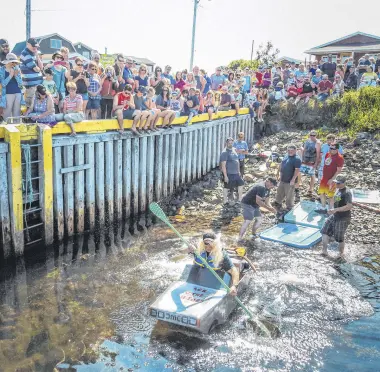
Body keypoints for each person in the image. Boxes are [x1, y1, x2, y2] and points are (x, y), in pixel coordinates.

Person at [320, 176, 352, 257]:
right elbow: (333, 200)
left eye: (338, 183)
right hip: (334, 215)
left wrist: (336, 209)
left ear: (344, 183)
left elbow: (349, 206)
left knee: (339, 237)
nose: (336, 184)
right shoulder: (337, 189)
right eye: (336, 182)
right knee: (324, 231)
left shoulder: (347, 193)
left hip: (343, 218)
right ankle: (324, 251)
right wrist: (331, 209)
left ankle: (341, 254)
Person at [317, 143, 344, 211]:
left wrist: (332, 179)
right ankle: (323, 207)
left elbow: (338, 171)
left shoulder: (339, 158)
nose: (330, 150)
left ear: (337, 149)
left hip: (332, 180)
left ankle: (331, 209)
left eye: (332, 149)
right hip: (324, 178)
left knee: (331, 196)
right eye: (330, 148)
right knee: (321, 192)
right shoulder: (327, 154)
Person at [274, 144, 301, 211]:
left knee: (289, 194)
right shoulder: (286, 156)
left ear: (295, 150)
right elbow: (281, 164)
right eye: (288, 150)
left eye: (292, 150)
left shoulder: (297, 159)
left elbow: (297, 170)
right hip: (283, 178)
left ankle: (289, 207)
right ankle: (278, 203)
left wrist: (293, 180)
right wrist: (278, 173)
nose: (290, 152)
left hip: (290, 180)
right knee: (279, 191)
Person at [20, 38, 44, 110]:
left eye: (36, 46)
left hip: (37, 86)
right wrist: (39, 69)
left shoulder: (33, 54)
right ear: (28, 44)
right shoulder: (25, 54)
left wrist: (37, 55)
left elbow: (41, 67)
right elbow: (36, 69)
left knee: (37, 107)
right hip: (31, 87)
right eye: (33, 46)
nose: (35, 48)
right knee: (30, 108)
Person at [220, 137, 244, 204]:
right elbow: (223, 165)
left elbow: (237, 161)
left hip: (236, 173)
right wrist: (225, 176)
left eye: (231, 143)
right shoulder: (224, 152)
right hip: (229, 173)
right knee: (226, 187)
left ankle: (240, 200)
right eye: (229, 143)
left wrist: (239, 171)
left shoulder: (234, 150)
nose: (230, 144)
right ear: (226, 143)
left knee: (241, 184)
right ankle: (225, 201)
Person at [0, 53, 23, 120]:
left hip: (18, 93)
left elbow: (21, 84)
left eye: (15, 62)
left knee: (17, 114)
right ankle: (7, 129)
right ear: (8, 62)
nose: (14, 64)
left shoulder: (17, 69)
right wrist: (10, 75)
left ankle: (16, 129)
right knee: (7, 113)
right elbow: (3, 84)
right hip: (7, 94)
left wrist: (16, 75)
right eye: (13, 62)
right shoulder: (1, 70)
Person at [300, 130, 321, 196]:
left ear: (316, 135)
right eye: (311, 135)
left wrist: (316, 163)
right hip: (305, 160)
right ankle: (298, 184)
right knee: (299, 171)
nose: (312, 136)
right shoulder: (307, 141)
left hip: (312, 161)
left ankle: (311, 189)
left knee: (312, 175)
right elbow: (304, 150)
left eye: (314, 135)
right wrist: (301, 159)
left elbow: (318, 154)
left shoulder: (317, 143)